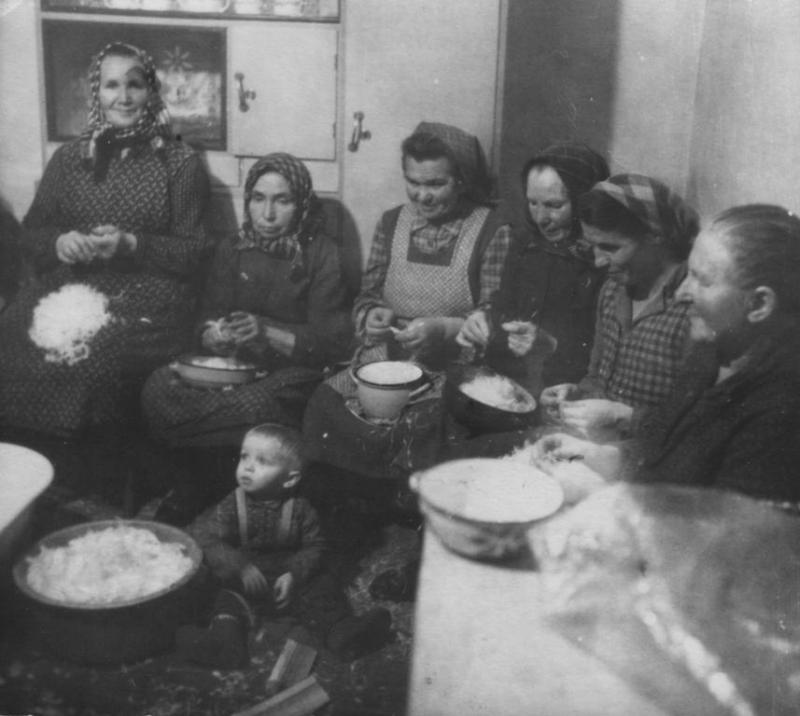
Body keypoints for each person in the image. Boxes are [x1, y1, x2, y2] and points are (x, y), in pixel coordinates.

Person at [0, 42, 211, 490]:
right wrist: (60, 242)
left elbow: (195, 252)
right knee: (10, 334)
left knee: (92, 360)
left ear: (151, 91)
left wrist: (132, 243)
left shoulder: (180, 163)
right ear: (95, 93)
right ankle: (24, 475)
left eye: (134, 84)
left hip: (149, 297)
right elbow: (31, 234)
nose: (123, 96)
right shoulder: (70, 159)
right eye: (111, 85)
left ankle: (85, 482)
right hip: (71, 289)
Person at [534, 204, 800, 504]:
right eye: (688, 273)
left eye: (702, 280)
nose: (681, 293)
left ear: (759, 304)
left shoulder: (784, 410)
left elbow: (727, 536)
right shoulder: (711, 355)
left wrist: (603, 495)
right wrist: (608, 455)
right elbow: (664, 443)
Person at [302, 121, 512, 490]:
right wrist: (372, 316)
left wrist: (445, 329)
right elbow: (367, 294)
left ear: (461, 180)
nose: (422, 196)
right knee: (325, 401)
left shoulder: (491, 229)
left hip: (453, 366)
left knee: (426, 423)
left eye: (435, 184)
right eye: (413, 182)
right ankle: (344, 498)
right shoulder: (391, 222)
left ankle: (407, 507)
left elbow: (492, 312)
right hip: (387, 356)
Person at [140, 153, 351, 514]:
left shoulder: (322, 253)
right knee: (159, 386)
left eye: (282, 201)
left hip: (293, 372)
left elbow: (331, 343)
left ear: (301, 204)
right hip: (233, 366)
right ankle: (207, 477)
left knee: (254, 406)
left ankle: (207, 484)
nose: (267, 214)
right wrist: (214, 334)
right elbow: (208, 314)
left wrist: (267, 332)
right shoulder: (233, 246)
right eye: (258, 199)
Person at [176, 423, 392, 668]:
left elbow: (315, 547)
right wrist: (241, 566)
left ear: (290, 480)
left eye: (262, 461)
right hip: (246, 580)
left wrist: (294, 574)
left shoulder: (301, 509)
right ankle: (225, 645)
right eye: (245, 456)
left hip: (288, 580)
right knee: (222, 597)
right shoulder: (231, 504)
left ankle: (342, 635)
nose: (247, 466)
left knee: (322, 587)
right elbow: (206, 537)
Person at [540, 174, 699, 440]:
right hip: (599, 446)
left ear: (656, 237)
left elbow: (695, 423)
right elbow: (597, 377)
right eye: (592, 247)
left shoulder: (692, 310)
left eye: (610, 248)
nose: (599, 261)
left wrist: (623, 417)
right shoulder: (613, 290)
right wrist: (577, 394)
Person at [456, 142, 609, 398]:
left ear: (585, 201)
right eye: (533, 203)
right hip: (511, 384)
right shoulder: (522, 242)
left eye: (554, 205)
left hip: (565, 392)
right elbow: (502, 308)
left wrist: (550, 344)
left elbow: (601, 352)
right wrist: (482, 321)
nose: (540, 218)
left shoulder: (604, 258)